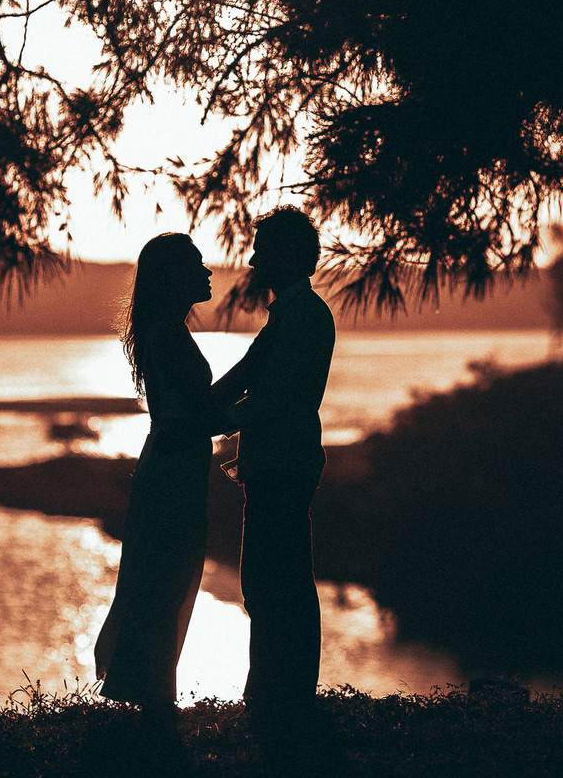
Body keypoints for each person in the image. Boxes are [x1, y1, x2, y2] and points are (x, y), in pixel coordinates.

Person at [212, 206, 336, 757]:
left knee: (275, 581)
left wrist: (218, 416)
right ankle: (275, 693)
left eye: (263, 249)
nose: (255, 258)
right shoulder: (289, 315)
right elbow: (247, 373)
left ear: (289, 255)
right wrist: (208, 402)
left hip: (283, 464)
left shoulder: (302, 316)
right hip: (278, 462)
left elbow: (274, 393)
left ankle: (281, 696)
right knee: (271, 580)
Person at [93, 232, 223, 735]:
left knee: (167, 578)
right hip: (173, 470)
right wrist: (259, 397)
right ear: (172, 277)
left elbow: (197, 411)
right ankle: (155, 700)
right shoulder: (167, 335)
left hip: (177, 468)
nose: (208, 272)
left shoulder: (166, 330)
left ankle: (153, 696)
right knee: (166, 580)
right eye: (197, 264)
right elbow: (193, 416)